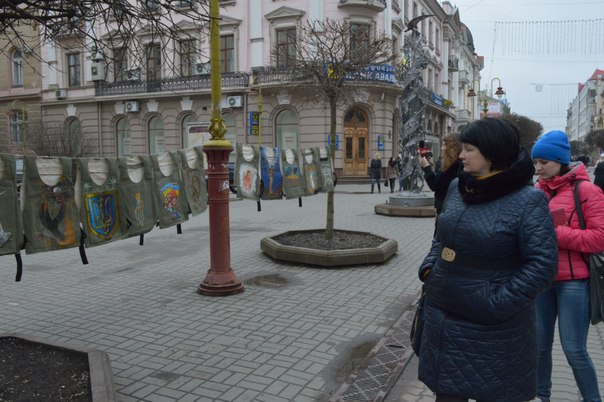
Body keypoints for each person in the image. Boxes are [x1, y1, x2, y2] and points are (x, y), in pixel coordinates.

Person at [417, 118, 558, 402]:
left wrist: (496, 302)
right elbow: (442, 236)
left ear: (492, 154)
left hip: (494, 331)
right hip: (443, 318)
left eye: (469, 149)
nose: (461, 155)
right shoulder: (458, 187)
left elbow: (542, 265)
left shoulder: (528, 200)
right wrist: (430, 268)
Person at [531, 130, 604, 402]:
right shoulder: (537, 191)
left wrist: (555, 232)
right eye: (535, 162)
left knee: (574, 350)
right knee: (539, 346)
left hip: (575, 283)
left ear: (560, 161)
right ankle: (541, 396)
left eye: (544, 162)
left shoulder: (586, 190)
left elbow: (599, 238)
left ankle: (592, 399)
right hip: (542, 279)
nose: (538, 168)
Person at [418, 132, 462, 215]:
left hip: (447, 209)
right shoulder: (452, 163)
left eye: (444, 145)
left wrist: (426, 166)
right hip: (445, 207)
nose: (442, 148)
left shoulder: (453, 166)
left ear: (453, 148)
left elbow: (435, 185)